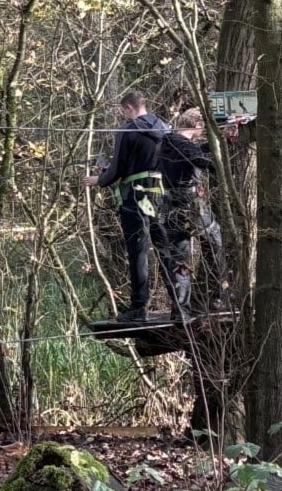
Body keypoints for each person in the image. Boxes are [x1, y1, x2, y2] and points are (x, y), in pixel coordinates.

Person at [86, 91, 170, 321]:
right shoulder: (165, 128)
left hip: (135, 197)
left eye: (124, 111)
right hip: (161, 195)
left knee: (138, 250)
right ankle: (180, 305)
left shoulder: (128, 129)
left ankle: (139, 307)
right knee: (165, 248)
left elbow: (119, 167)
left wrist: (100, 180)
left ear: (129, 108)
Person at [157, 108, 227, 317]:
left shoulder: (168, 142)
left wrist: (221, 141)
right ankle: (219, 296)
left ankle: (181, 310)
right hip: (188, 205)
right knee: (215, 240)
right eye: (202, 127)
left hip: (170, 206)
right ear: (197, 124)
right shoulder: (180, 143)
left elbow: (193, 152)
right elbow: (198, 159)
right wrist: (216, 164)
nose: (203, 131)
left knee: (180, 258)